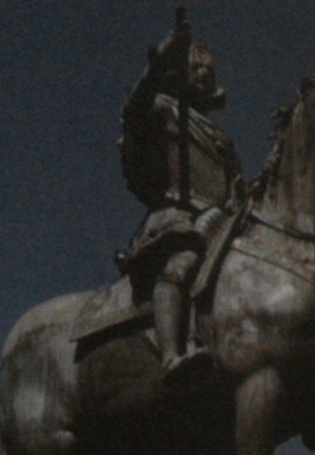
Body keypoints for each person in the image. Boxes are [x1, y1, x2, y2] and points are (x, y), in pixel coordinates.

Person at [118, 12, 242, 385]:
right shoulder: (161, 110)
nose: (205, 74)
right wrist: (162, 58)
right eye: (196, 68)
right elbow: (133, 112)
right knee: (183, 261)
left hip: (222, 222)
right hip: (177, 218)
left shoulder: (221, 138)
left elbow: (236, 182)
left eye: (209, 70)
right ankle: (173, 355)